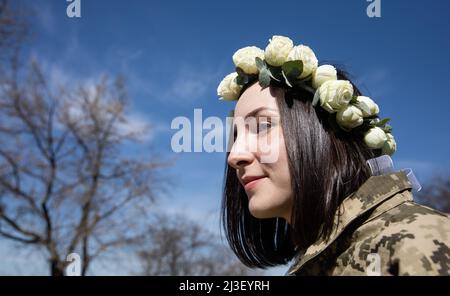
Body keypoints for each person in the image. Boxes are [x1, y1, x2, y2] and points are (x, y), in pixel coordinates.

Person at [217, 35, 450, 276]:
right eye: (235, 137)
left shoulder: (417, 244)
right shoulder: (321, 260)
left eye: (262, 126)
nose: (234, 155)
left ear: (324, 132)